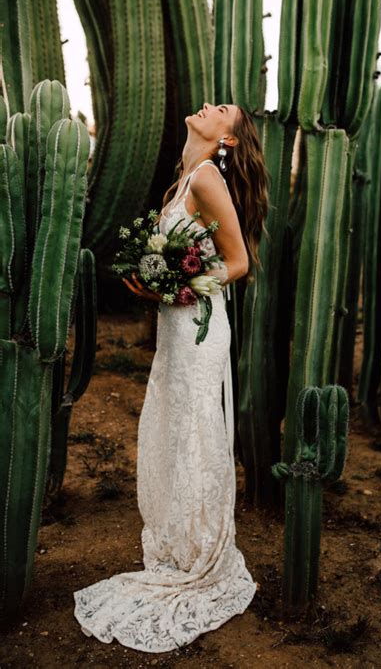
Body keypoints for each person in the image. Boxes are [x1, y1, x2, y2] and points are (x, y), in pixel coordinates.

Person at [73, 103, 270, 653]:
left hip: (199, 327)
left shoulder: (207, 177)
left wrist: (179, 290)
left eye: (222, 109)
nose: (209, 105)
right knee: (178, 423)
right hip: (179, 326)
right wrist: (159, 284)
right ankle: (182, 539)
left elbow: (237, 263)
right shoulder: (184, 180)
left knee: (195, 428)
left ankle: (200, 549)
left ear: (226, 139)